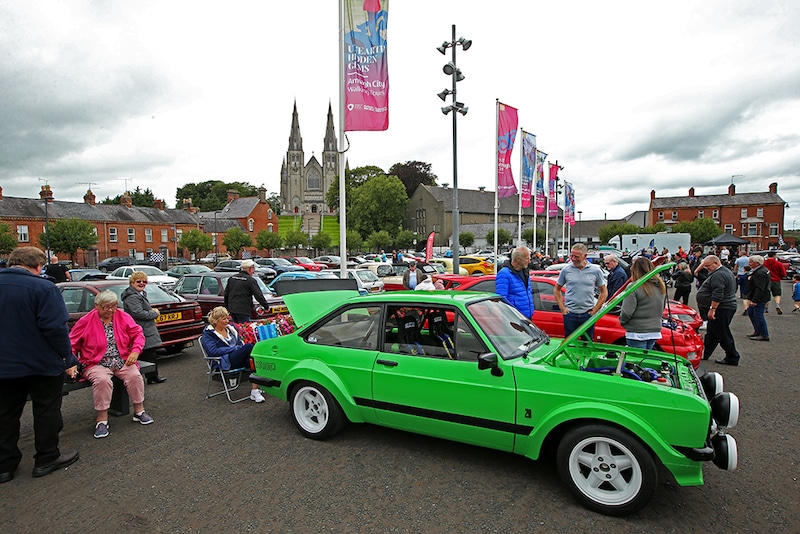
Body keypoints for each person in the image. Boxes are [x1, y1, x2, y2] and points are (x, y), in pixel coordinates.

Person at [0, 247, 79, 482]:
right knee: (46, 411)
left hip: (4, 366)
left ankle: (5, 465)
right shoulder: (44, 288)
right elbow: (55, 328)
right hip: (41, 363)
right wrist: (67, 357)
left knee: (4, 414)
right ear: (37, 266)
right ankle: (46, 458)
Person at [69, 290, 154, 439]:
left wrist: (135, 351)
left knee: (135, 376)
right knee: (102, 381)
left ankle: (139, 411)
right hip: (95, 362)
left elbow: (138, 334)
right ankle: (102, 419)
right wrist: (71, 363)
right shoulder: (85, 321)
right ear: (97, 306)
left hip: (121, 358)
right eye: (106, 307)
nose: (111, 310)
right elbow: (71, 343)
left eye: (114, 306)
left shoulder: (122, 316)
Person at [201, 306, 264, 403]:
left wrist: (237, 349)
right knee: (249, 347)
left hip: (237, 357)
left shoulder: (231, 329)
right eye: (224, 319)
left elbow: (239, 344)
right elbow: (212, 351)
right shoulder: (208, 334)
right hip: (224, 361)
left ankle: (254, 391)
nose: (227, 321)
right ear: (216, 321)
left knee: (254, 361)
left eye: (227, 318)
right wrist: (233, 349)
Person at [554, 243, 608, 340]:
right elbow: (557, 289)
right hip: (570, 314)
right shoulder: (566, 270)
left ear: (585, 256)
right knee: (569, 343)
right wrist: (562, 308)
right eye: (572, 256)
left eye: (576, 257)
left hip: (587, 314)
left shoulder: (595, 271)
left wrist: (595, 310)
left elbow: (603, 292)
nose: (573, 259)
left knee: (587, 344)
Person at [122, 271, 167, 384]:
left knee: (149, 354)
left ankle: (151, 376)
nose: (142, 283)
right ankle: (150, 377)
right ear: (132, 283)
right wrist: (154, 313)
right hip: (141, 329)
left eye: (144, 281)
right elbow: (138, 313)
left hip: (146, 329)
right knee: (148, 354)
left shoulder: (139, 294)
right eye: (138, 281)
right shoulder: (132, 297)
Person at [695, 255, 740, 366]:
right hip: (725, 306)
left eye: (708, 266)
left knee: (722, 332)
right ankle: (705, 353)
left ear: (716, 263)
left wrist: (712, 309)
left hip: (722, 307)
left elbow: (718, 293)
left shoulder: (719, 275)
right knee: (712, 331)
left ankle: (732, 356)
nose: (707, 268)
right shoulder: (725, 272)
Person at [619, 257, 666, 350]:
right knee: (647, 359)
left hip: (637, 331)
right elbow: (662, 307)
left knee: (637, 362)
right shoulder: (660, 286)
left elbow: (627, 312)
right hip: (654, 330)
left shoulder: (633, 287)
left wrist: (622, 322)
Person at [224, 259, 269, 323]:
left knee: (236, 328)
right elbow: (258, 295)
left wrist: (227, 307)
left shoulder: (232, 278)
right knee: (244, 329)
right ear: (250, 268)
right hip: (244, 310)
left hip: (232, 309)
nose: (253, 271)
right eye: (253, 268)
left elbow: (226, 294)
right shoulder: (250, 280)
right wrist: (266, 306)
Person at [496, 247, 534, 318]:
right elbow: (502, 299)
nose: (529, 261)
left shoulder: (525, 271)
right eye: (527, 259)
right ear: (518, 259)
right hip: (514, 318)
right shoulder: (504, 274)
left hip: (526, 317)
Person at [744, 255, 771, 341]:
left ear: (757, 263)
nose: (749, 264)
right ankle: (757, 330)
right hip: (755, 296)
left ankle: (764, 334)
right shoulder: (759, 271)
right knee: (751, 313)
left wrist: (755, 300)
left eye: (751, 262)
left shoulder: (760, 273)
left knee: (758, 315)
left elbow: (760, 288)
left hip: (759, 298)